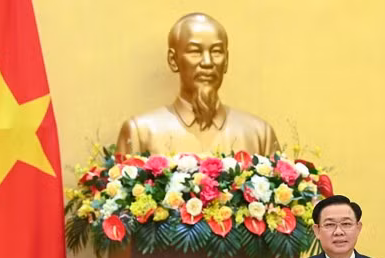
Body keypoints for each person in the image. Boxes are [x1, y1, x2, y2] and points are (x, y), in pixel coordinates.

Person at [116, 12, 279, 156]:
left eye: (216, 52)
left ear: (226, 61)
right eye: (195, 51)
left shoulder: (259, 135)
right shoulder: (141, 132)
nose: (207, 63)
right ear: (173, 60)